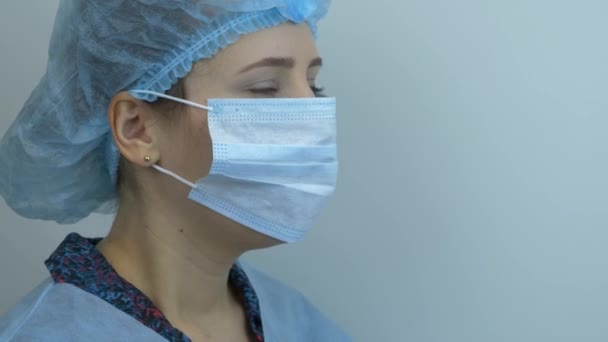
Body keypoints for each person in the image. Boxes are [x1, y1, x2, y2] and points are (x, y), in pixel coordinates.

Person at [0, 1, 347, 341]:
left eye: (313, 87)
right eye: (265, 89)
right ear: (136, 129)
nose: (309, 118)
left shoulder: (291, 319)